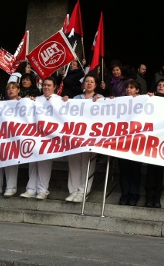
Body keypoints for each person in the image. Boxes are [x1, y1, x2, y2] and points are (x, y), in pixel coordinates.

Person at [65, 74, 104, 203]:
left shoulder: (99, 99)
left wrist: (104, 100)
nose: (89, 83)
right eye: (87, 81)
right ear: (83, 84)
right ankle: (73, 191)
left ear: (95, 85)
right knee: (74, 164)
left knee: (87, 164)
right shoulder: (76, 98)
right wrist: (64, 101)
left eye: (92, 82)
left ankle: (83, 192)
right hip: (75, 136)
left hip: (90, 137)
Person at [20, 76, 60, 200]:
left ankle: (43, 190)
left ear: (55, 87)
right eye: (44, 85)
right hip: (35, 136)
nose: (46, 87)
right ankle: (31, 189)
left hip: (49, 137)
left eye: (49, 85)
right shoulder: (36, 99)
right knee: (33, 163)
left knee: (45, 164)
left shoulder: (59, 100)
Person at [117, 80, 143, 206]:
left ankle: (134, 194)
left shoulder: (144, 101)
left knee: (135, 170)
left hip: (137, 142)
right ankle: (124, 194)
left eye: (132, 87)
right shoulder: (120, 101)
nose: (128, 89)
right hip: (122, 142)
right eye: (127, 87)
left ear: (137, 90)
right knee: (124, 170)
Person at [145, 79, 164, 207]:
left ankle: (157, 198)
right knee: (150, 170)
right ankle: (149, 197)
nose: (161, 87)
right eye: (159, 85)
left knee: (160, 171)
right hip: (151, 139)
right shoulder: (150, 99)